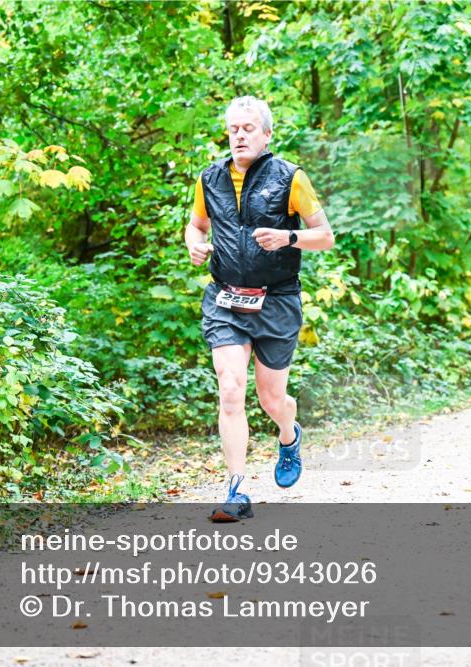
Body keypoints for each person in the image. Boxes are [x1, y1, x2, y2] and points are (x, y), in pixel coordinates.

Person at [185, 96, 335, 521]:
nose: (238, 136)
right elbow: (195, 225)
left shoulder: (290, 178)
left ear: (267, 134)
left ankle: (289, 435)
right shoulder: (209, 178)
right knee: (231, 389)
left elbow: (325, 235)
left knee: (272, 399)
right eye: (233, 129)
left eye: (248, 128)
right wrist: (194, 244)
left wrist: (288, 239)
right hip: (226, 299)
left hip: (277, 299)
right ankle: (236, 491)